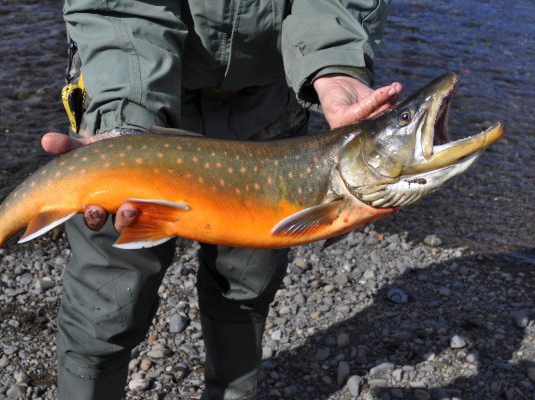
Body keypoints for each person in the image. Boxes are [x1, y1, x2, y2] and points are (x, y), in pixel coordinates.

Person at [40, 1, 403, 399]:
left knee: (245, 290)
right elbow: (119, 8)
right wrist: (126, 125)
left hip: (269, 104)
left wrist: (334, 65)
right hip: (131, 92)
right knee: (105, 300)